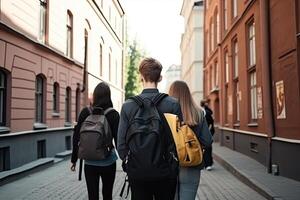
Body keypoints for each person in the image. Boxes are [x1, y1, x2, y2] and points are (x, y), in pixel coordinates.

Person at [117, 57, 183, 200]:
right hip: (165, 172)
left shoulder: (128, 106)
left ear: (141, 77)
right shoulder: (172, 104)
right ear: (160, 77)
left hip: (137, 172)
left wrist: (130, 162)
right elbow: (179, 141)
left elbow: (121, 144)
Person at [70, 82, 120, 200]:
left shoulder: (85, 112)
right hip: (108, 161)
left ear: (95, 96)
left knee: (92, 196)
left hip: (89, 162)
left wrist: (74, 160)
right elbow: (119, 140)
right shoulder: (113, 114)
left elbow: (76, 136)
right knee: (107, 195)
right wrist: (126, 160)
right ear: (108, 96)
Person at [169, 80, 212, 200]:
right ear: (188, 94)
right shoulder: (198, 113)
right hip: (191, 165)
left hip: (169, 165)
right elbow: (208, 141)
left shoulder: (166, 113)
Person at [200, 99, 215, 171]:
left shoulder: (205, 111)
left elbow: (211, 123)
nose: (207, 104)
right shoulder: (203, 111)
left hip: (206, 132)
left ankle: (208, 163)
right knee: (206, 148)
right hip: (205, 132)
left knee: (207, 147)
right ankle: (207, 164)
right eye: (206, 103)